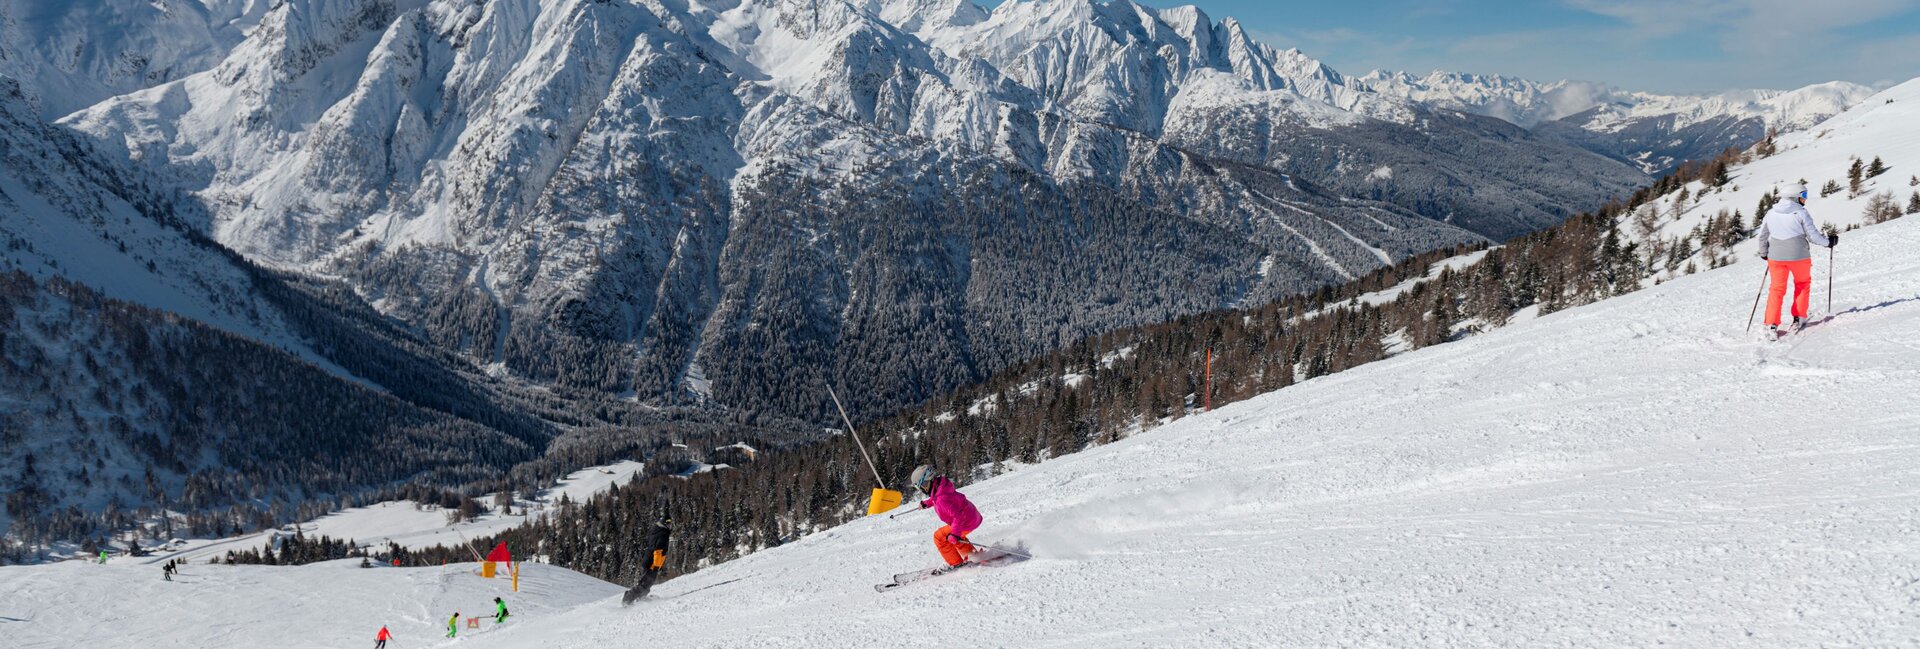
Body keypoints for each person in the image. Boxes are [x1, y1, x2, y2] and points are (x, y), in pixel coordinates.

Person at [1758, 182, 1837, 337]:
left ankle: (1771, 324)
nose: (1805, 199)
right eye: (1804, 196)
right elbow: (1813, 236)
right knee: (1802, 284)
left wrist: (1764, 252)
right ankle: (1799, 316)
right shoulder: (1801, 213)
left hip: (1776, 257)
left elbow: (1762, 235)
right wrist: (1828, 243)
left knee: (1776, 289)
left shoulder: (1771, 213)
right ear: (1795, 197)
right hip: (1799, 256)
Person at [913, 467, 982, 568]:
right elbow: (937, 498)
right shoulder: (940, 487)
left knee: (939, 537)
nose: (921, 490)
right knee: (955, 537)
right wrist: (926, 503)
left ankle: (956, 564)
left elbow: (958, 516)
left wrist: (955, 534)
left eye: (920, 487)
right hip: (971, 515)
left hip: (966, 521)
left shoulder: (941, 499)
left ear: (925, 483)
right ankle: (973, 556)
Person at [622, 514, 673, 604]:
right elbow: (658, 551)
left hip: (649, 561)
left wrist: (660, 566)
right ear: (663, 523)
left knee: (647, 583)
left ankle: (639, 598)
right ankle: (627, 599)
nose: (670, 525)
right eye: (668, 523)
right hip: (652, 563)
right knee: (645, 584)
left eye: (670, 523)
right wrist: (657, 566)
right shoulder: (663, 533)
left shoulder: (657, 531)